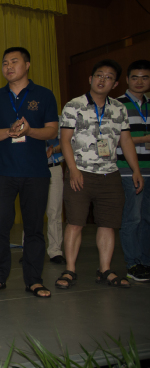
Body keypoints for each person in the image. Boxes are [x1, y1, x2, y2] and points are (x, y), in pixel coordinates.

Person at [56, 59, 143, 290]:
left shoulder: (119, 108)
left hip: (110, 175)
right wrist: (73, 170)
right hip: (80, 173)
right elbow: (65, 140)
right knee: (75, 222)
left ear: (115, 84)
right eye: (99, 75)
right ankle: (70, 269)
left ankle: (105, 270)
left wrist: (135, 170)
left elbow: (126, 141)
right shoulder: (74, 105)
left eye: (108, 77)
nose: (102, 80)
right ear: (90, 79)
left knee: (108, 224)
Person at [0, 47, 58, 298]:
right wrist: (9, 132)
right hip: (2, 171)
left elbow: (52, 131)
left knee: (34, 228)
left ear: (27, 65)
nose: (8, 67)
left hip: (35, 172)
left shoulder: (44, 95)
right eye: (5, 63)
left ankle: (34, 280)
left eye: (14, 62)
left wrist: (29, 131)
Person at [115, 60, 150, 282]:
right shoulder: (117, 105)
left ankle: (146, 261)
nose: (139, 82)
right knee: (132, 218)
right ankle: (133, 263)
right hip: (127, 170)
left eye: (145, 77)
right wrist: (145, 138)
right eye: (135, 77)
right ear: (127, 80)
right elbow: (116, 139)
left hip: (149, 168)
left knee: (147, 219)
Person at [45, 117, 65, 265]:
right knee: (32, 211)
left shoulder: (59, 119)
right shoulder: (25, 117)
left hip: (54, 167)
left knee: (55, 211)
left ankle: (55, 251)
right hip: (32, 168)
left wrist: (53, 150)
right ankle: (29, 249)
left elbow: (69, 141)